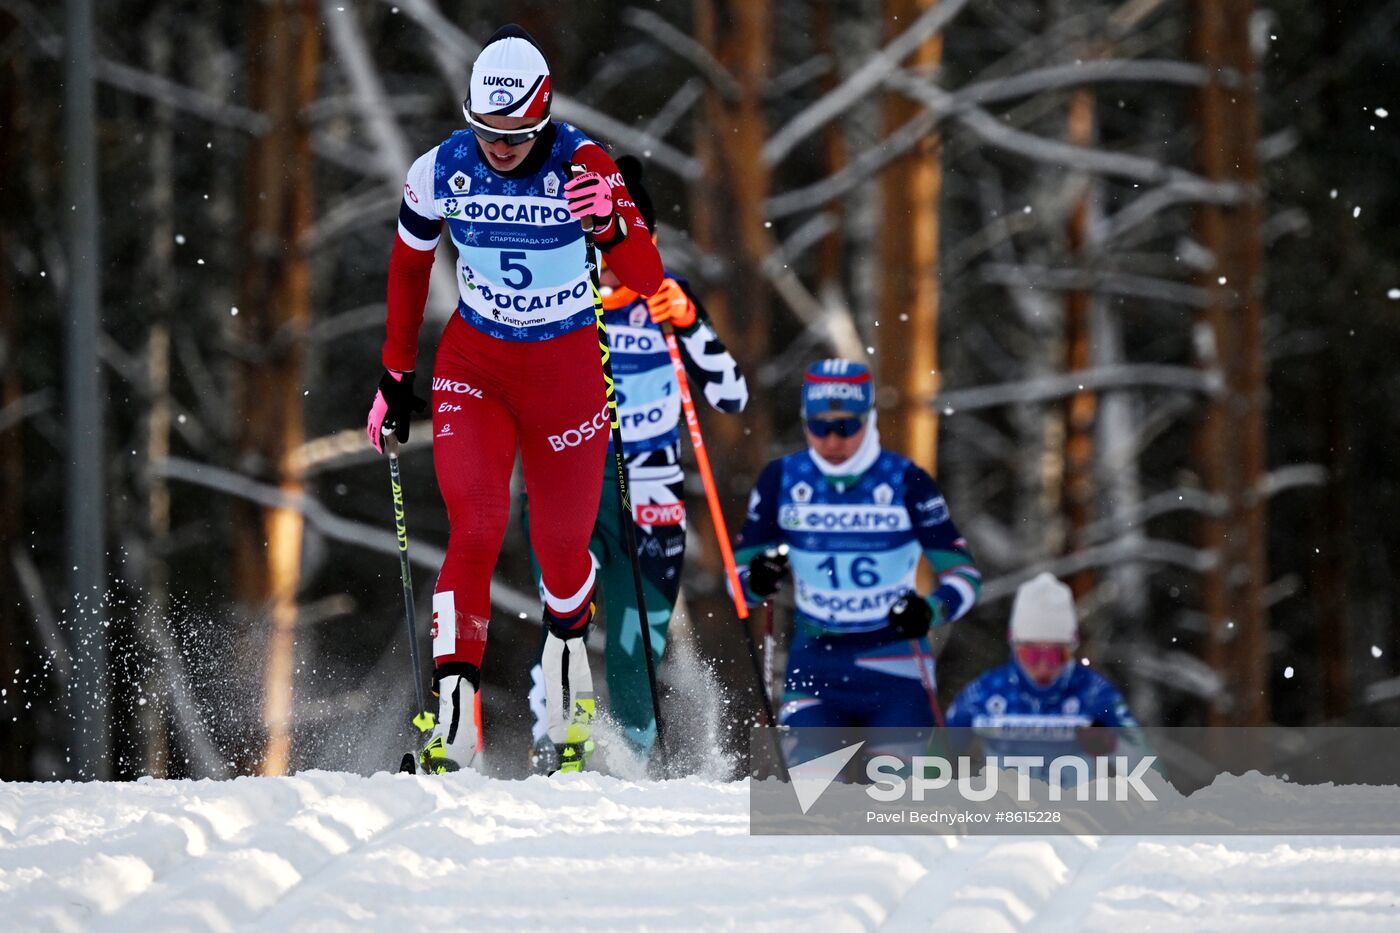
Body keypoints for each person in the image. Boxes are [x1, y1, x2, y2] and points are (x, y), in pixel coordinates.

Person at [364, 25, 663, 773]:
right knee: (478, 523)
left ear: (545, 115)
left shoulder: (584, 163)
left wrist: (610, 222)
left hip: (566, 374)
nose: (501, 148)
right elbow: (407, 269)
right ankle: (454, 727)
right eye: (487, 132)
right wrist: (395, 376)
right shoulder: (441, 170)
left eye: (519, 133)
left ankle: (567, 697)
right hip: (476, 365)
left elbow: (647, 273)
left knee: (562, 552)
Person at [523, 156, 749, 772]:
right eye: (600, 242)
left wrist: (693, 325)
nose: (613, 258)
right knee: (565, 608)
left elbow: (732, 395)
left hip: (653, 488)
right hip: (576, 476)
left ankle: (628, 763)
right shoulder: (559, 296)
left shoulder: (666, 299)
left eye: (628, 241)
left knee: (634, 647)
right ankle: (557, 736)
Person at [734, 360, 982, 752]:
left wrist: (930, 610)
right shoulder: (782, 478)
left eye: (847, 427)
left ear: (869, 420)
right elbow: (738, 585)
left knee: (893, 802)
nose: (832, 441)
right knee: (814, 799)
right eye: (819, 427)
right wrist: (757, 579)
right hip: (815, 663)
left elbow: (964, 577)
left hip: (895, 664)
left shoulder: (906, 480)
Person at [944, 572, 1145, 783]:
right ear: (1014, 645)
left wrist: (1114, 748)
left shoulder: (1094, 692)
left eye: (1055, 656)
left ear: (1072, 648)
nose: (1042, 667)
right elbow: (935, 761)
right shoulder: (986, 691)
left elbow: (1148, 771)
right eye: (1031, 655)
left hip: (1076, 812)